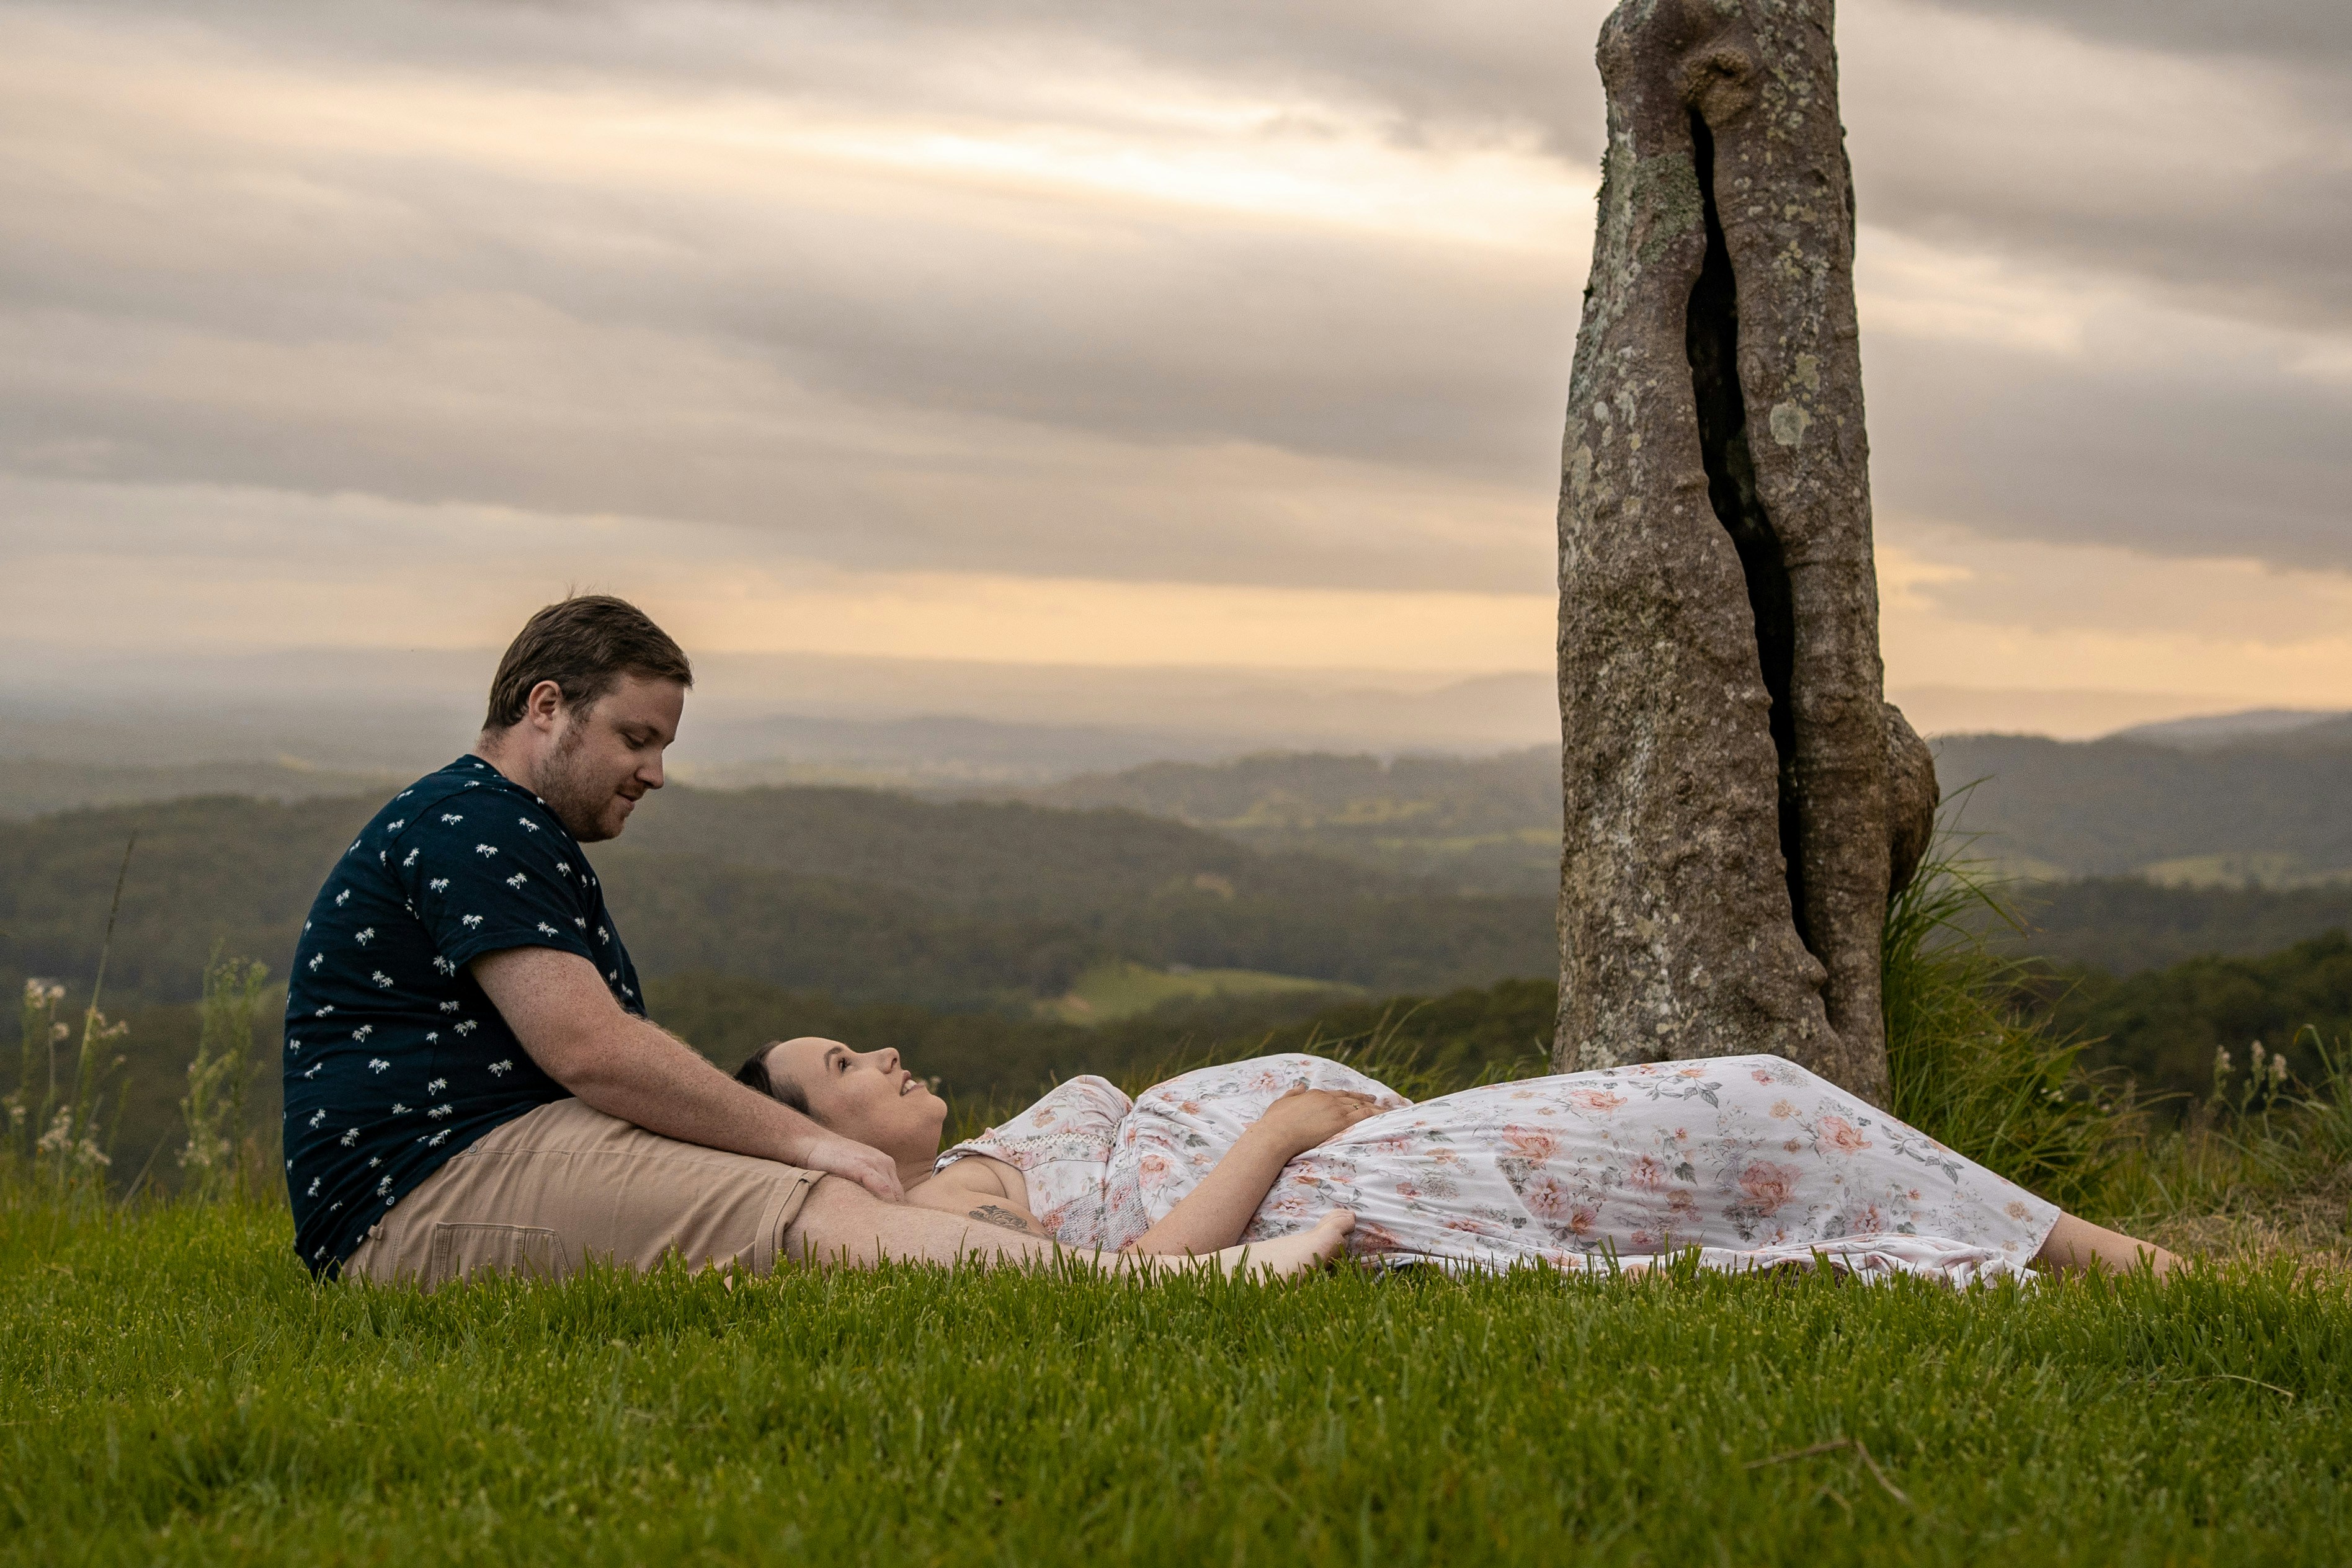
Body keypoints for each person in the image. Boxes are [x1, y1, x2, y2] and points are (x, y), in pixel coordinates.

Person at [281, 595, 1352, 1288]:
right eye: (636, 738)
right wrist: (809, 1139)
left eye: (663, 744)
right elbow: (592, 1051)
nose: (655, 771)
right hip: (415, 1190)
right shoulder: (475, 821)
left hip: (461, 1160)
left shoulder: (494, 823)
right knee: (802, 1201)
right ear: (546, 707)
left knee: (786, 1193)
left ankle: (1089, 1267)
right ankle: (1140, 1290)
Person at [739, 1039, 2183, 1285]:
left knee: (1757, 1107)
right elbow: (1133, 1280)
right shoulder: (936, 1216)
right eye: (839, 1068)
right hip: (1331, 1176)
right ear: (814, 1128)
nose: (880, 1058)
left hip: (1361, 1153)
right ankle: (2130, 1266)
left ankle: (2090, 1253)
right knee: (1762, 1097)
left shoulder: (986, 1153)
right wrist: (1284, 1126)